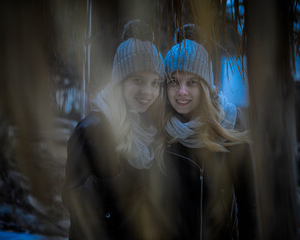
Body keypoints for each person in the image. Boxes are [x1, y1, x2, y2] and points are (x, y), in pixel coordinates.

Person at [62, 19, 165, 240]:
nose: (147, 91)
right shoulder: (93, 130)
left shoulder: (149, 131)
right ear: (120, 81)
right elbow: (73, 199)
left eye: (155, 83)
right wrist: (117, 185)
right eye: (138, 80)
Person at [159, 24, 258, 240]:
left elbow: (249, 207)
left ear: (204, 86)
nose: (182, 91)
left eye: (192, 82)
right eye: (174, 81)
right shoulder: (160, 130)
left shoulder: (229, 124)